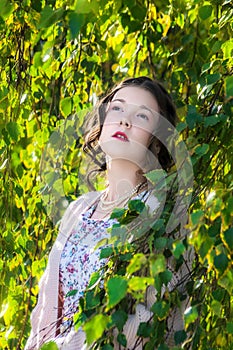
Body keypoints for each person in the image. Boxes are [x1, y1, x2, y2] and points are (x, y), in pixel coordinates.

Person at [25, 77, 193, 350]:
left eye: (141, 116)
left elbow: (150, 322)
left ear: (158, 142)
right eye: (117, 108)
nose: (125, 121)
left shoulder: (164, 217)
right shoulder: (79, 209)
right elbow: (44, 310)